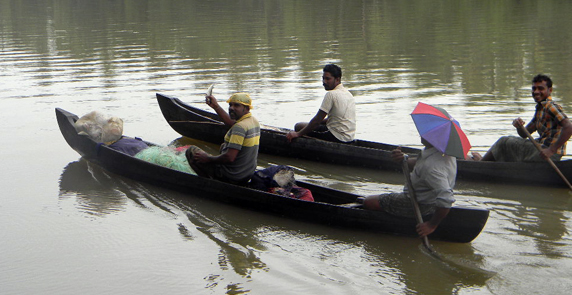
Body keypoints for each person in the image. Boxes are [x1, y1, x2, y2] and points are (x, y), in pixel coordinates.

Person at [363, 139, 456, 237]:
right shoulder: (441, 152)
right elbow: (419, 164)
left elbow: (446, 199)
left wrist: (431, 225)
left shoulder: (433, 169)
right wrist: (404, 159)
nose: (422, 135)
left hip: (420, 204)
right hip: (428, 199)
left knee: (368, 202)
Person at [472, 74, 572, 162]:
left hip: (549, 154)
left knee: (504, 142)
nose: (536, 92)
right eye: (534, 88)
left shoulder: (550, 106)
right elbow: (524, 134)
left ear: (549, 90)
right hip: (541, 150)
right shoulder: (540, 109)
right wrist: (519, 127)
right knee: (510, 140)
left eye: (540, 88)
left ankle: (481, 163)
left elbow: (569, 127)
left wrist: (551, 150)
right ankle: (490, 163)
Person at [185, 92, 260, 185]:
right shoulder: (253, 121)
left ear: (247, 108)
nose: (231, 108)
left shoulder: (240, 127)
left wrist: (208, 158)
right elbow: (232, 124)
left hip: (233, 176)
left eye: (236, 105)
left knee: (192, 151)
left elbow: (229, 158)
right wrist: (215, 106)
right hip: (246, 174)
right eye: (230, 105)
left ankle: (210, 184)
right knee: (224, 146)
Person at [286, 64, 356, 143]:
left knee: (298, 126)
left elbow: (317, 121)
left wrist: (298, 134)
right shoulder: (348, 94)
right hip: (349, 137)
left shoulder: (331, 94)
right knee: (309, 125)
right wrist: (313, 123)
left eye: (327, 79)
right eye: (323, 78)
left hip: (336, 136)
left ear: (337, 80)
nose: (324, 82)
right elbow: (337, 118)